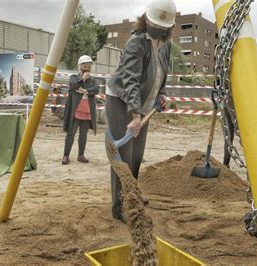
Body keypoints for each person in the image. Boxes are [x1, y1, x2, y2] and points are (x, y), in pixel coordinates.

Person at [105, 0, 175, 222]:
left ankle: (132, 195)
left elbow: (162, 74)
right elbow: (131, 80)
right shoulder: (136, 42)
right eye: (156, 24)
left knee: (136, 154)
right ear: (147, 20)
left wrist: (161, 94)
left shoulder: (165, 44)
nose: (159, 30)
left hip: (143, 105)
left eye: (164, 27)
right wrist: (135, 115)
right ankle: (120, 207)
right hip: (121, 101)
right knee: (123, 156)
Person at [62, 55, 99, 165]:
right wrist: (82, 79)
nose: (87, 68)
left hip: (87, 110)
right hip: (75, 110)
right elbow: (73, 85)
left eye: (89, 66)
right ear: (80, 66)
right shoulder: (74, 77)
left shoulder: (93, 80)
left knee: (84, 133)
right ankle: (66, 155)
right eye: (84, 66)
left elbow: (96, 89)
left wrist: (85, 91)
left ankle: (81, 155)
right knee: (71, 132)